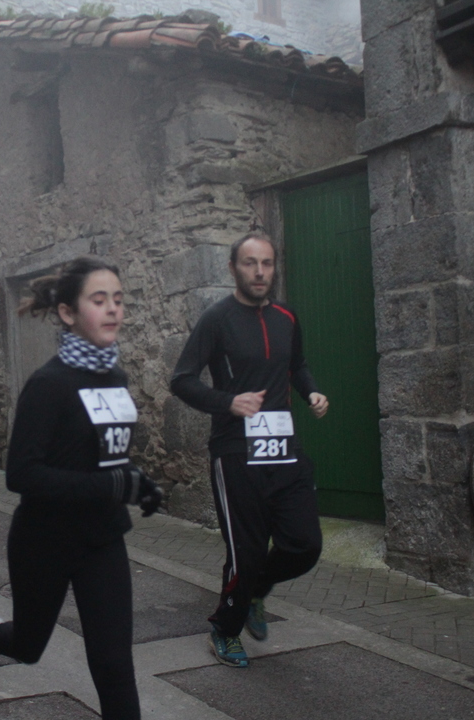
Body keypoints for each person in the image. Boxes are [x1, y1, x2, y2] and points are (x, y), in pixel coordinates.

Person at [0, 256, 162, 720]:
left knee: (114, 665)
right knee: (29, 646)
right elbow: (21, 475)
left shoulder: (115, 376)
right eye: (99, 300)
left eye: (118, 299)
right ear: (68, 312)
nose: (113, 309)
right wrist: (112, 484)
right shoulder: (49, 383)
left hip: (102, 539)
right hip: (43, 540)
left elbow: (107, 456)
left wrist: (140, 484)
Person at [170, 231, 328, 668]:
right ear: (233, 268)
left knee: (305, 545)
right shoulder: (216, 319)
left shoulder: (287, 317)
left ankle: (256, 590)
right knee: (247, 551)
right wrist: (228, 402)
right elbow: (182, 379)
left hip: (283, 448)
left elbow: (297, 365)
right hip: (235, 451)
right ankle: (225, 628)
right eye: (250, 263)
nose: (260, 272)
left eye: (267, 263)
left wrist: (312, 392)